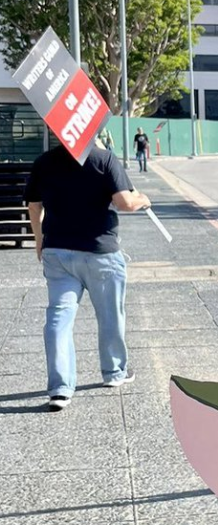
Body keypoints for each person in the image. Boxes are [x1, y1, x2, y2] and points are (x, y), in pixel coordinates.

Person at [26, 142, 151, 410]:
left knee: (58, 318)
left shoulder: (44, 161)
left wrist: (39, 240)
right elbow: (125, 202)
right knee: (110, 315)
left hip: (57, 251)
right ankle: (114, 372)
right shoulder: (103, 159)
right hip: (100, 253)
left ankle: (60, 389)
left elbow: (34, 206)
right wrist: (143, 199)